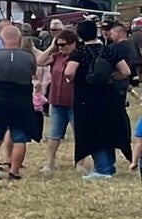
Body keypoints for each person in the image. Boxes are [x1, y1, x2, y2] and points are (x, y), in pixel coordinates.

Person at [67, 21, 133, 180]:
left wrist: (74, 80)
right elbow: (126, 71)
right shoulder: (109, 51)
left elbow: (69, 72)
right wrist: (111, 77)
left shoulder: (80, 52)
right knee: (108, 130)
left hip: (87, 98)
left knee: (93, 132)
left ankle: (103, 169)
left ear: (80, 35)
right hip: (109, 97)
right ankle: (109, 165)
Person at [0, 24, 40, 180]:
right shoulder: (29, 57)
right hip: (21, 100)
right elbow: (32, 73)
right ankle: (14, 172)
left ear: (2, 39)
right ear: (19, 38)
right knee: (20, 137)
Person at [37, 28, 78, 175]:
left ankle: (79, 161)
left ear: (73, 43)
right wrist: (51, 47)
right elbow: (40, 61)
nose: (61, 47)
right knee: (54, 134)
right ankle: (50, 162)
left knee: (78, 133)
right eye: (58, 45)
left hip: (74, 101)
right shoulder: (56, 57)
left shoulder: (79, 57)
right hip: (57, 101)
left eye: (63, 44)